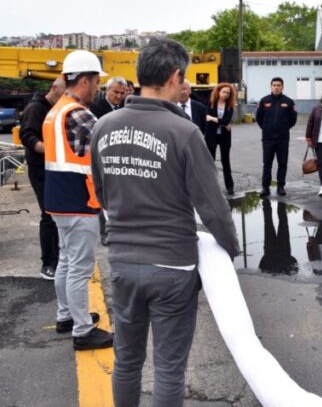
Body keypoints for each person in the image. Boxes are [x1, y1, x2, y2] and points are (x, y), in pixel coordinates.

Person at [90, 37, 240, 406]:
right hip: (173, 264)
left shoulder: (104, 127)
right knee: (169, 369)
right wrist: (230, 249)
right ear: (175, 77)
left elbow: (103, 194)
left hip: (123, 261)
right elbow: (213, 207)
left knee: (126, 361)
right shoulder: (184, 132)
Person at [42, 50, 112, 350]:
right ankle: (83, 332)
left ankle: (67, 316)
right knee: (80, 268)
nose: (98, 87)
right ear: (84, 79)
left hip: (58, 199)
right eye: (96, 81)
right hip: (79, 200)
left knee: (67, 263)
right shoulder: (79, 113)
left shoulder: (56, 110)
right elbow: (108, 144)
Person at [19, 76, 65, 280]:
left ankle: (58, 257)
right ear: (54, 88)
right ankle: (48, 264)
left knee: (57, 213)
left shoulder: (57, 108)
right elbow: (27, 137)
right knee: (48, 214)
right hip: (40, 169)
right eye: (63, 93)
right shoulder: (35, 109)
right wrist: (51, 150)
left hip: (54, 167)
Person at [256, 77, 297, 196]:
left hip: (283, 138)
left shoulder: (289, 102)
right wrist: (267, 128)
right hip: (268, 138)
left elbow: (293, 120)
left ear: (283, 87)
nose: (276, 87)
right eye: (274, 85)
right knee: (267, 164)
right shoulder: (264, 101)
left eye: (279, 85)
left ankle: (280, 187)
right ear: (271, 86)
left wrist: (283, 128)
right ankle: (265, 187)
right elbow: (259, 118)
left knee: (282, 163)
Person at [206, 82, 237, 196]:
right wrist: (222, 122)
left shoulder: (230, 106)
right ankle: (210, 187)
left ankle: (230, 187)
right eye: (224, 92)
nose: (226, 94)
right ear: (218, 92)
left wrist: (213, 119)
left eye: (228, 93)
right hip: (211, 136)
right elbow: (207, 117)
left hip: (224, 137)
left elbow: (226, 121)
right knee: (210, 162)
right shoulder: (211, 103)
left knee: (226, 162)